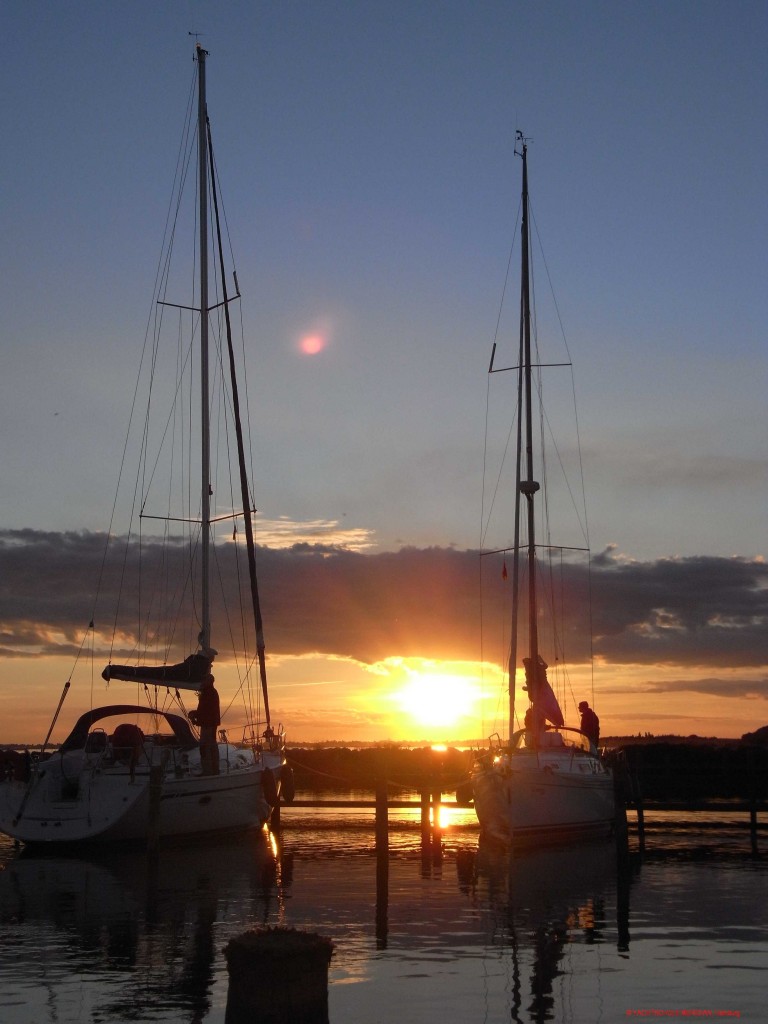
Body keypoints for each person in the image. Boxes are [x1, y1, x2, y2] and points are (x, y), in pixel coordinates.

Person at [190, 674, 220, 775]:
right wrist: (196, 715)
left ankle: (208, 771)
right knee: (210, 746)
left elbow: (206, 710)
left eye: (204, 680)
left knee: (205, 747)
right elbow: (205, 710)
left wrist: (195, 714)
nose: (202, 682)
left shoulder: (209, 693)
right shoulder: (210, 692)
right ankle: (213, 769)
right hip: (209, 724)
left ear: (209, 681)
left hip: (208, 725)